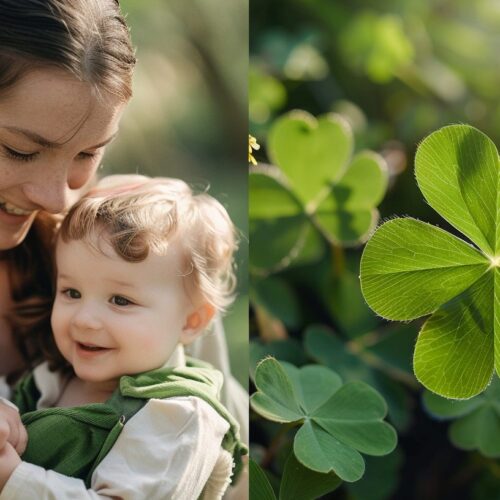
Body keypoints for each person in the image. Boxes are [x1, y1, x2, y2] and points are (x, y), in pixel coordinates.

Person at [0, 1, 248, 482]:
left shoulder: (124, 242)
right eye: (19, 150)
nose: (57, 198)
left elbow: (237, 474)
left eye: (89, 153)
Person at [0, 177, 247, 498]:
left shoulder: (178, 417)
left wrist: (13, 479)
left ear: (191, 320)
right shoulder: (52, 374)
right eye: (71, 292)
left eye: (120, 300)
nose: (84, 320)